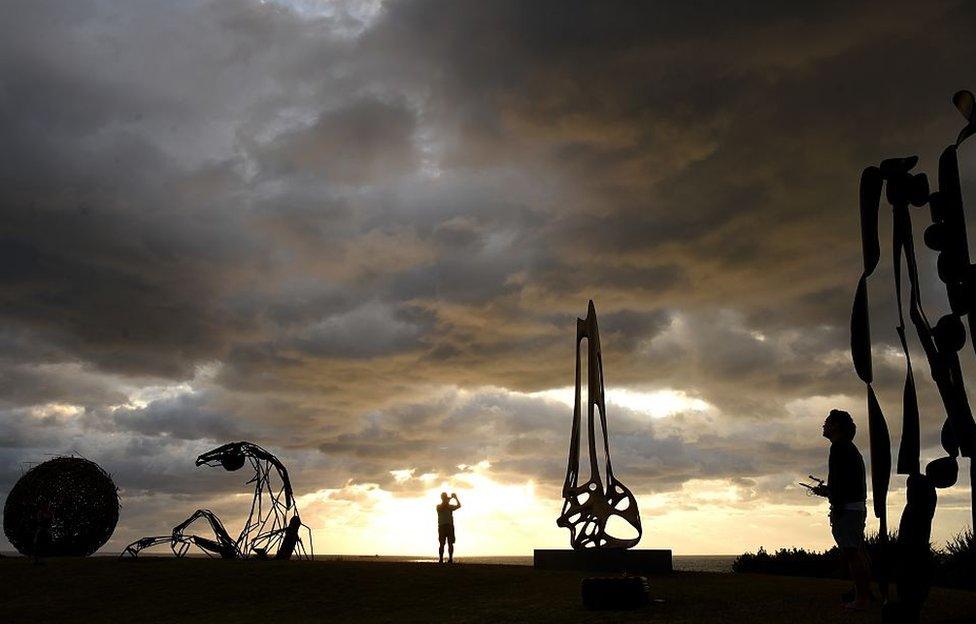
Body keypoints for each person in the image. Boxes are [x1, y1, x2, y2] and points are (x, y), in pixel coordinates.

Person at [812, 409, 872, 610]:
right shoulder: (849, 448)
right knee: (857, 552)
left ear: (836, 426)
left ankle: (862, 599)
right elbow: (845, 483)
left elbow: (841, 485)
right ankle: (862, 593)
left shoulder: (839, 448)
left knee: (852, 553)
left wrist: (834, 502)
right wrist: (829, 491)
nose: (824, 425)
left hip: (848, 509)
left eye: (827, 421)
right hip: (854, 507)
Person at [436, 492, 461, 563]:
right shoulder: (438, 506)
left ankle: (450, 558)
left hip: (449, 526)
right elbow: (443, 506)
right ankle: (441, 559)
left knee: (450, 543)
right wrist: (449, 499)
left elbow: (459, 505)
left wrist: (455, 498)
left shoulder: (449, 506)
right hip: (442, 526)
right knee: (442, 544)